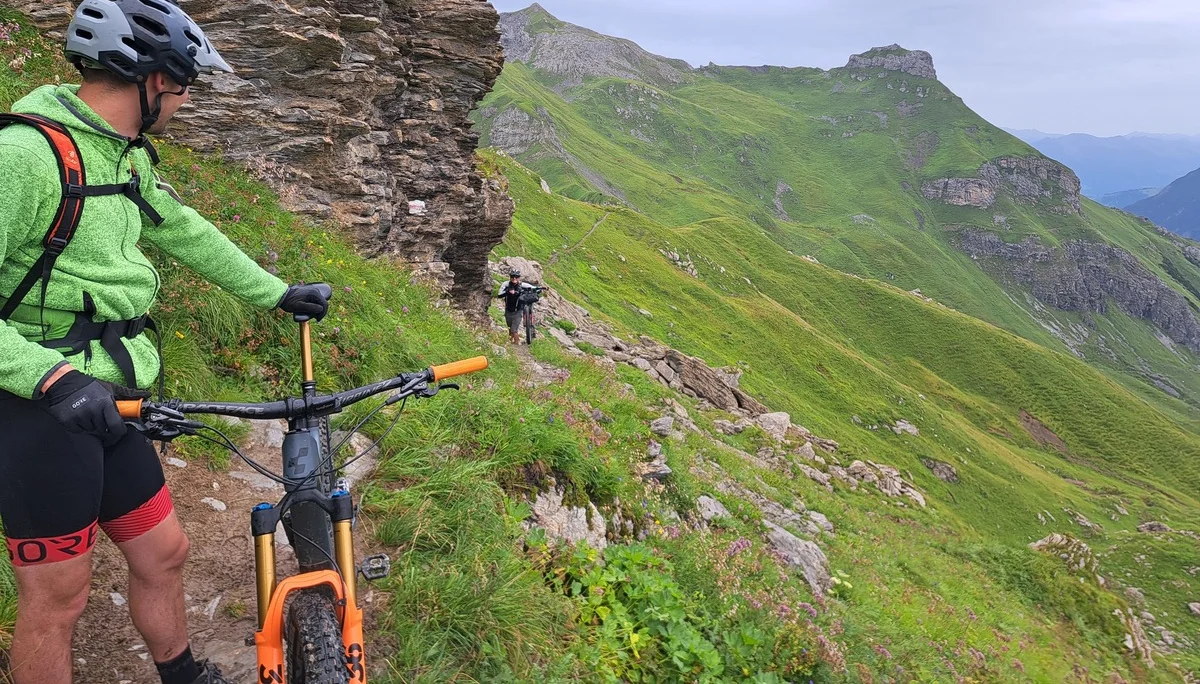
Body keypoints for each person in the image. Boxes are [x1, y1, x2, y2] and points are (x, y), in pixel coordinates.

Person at [0, 2, 331, 683]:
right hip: (39, 407)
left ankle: (182, 676)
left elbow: (182, 228)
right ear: (149, 79)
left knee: (166, 551)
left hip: (110, 399)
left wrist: (274, 292)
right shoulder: (23, 157)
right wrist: (52, 379)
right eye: (184, 82)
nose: (186, 97)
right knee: (56, 602)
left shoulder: (121, 154)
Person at [496, 269, 532, 344]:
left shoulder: (522, 285)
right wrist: (508, 292)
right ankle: (510, 341)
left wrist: (541, 288)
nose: (514, 278)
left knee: (514, 329)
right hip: (508, 310)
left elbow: (531, 287)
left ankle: (516, 343)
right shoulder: (506, 284)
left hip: (518, 311)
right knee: (510, 327)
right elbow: (499, 295)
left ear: (519, 277)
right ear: (510, 277)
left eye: (516, 277)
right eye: (512, 276)